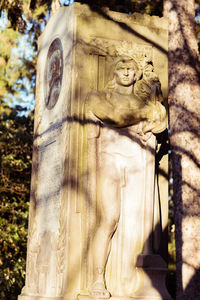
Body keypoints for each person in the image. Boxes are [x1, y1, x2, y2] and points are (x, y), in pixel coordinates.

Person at [84, 56, 167, 299]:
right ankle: (97, 279)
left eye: (132, 69)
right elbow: (115, 117)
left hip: (138, 163)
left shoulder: (146, 100)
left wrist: (155, 117)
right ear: (114, 72)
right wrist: (145, 113)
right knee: (110, 218)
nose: (127, 72)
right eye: (122, 67)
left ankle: (134, 282)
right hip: (110, 161)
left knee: (141, 224)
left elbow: (160, 123)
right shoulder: (99, 96)